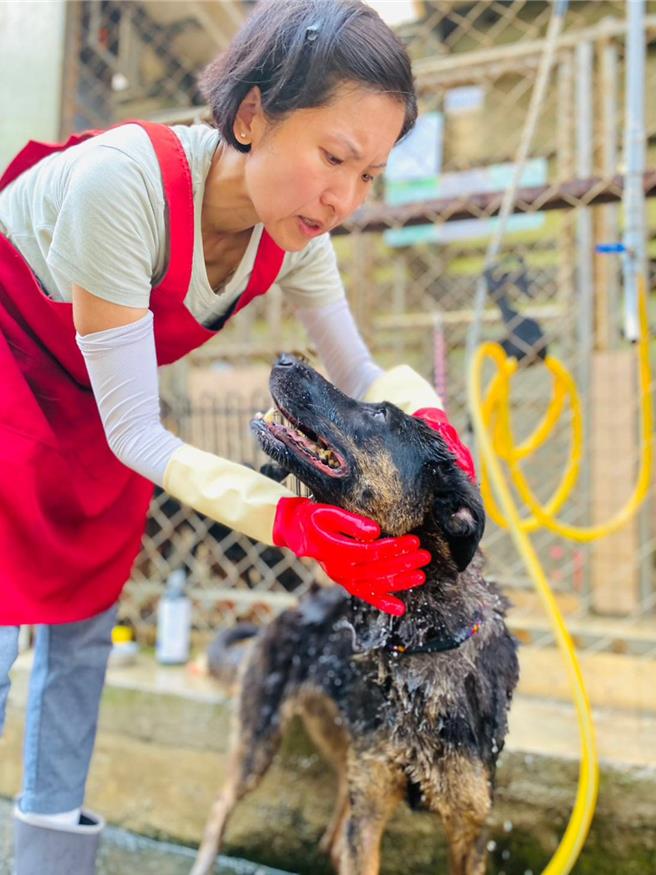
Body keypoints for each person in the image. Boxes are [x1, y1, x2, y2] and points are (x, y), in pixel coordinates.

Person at [0, 0, 475, 871]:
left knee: (83, 624)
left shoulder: (292, 236)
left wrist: (436, 427)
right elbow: (139, 429)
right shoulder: (124, 186)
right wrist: (292, 521)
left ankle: (46, 858)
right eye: (334, 156)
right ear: (251, 115)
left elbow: (362, 371)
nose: (344, 198)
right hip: (10, 360)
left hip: (98, 400)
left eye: (368, 173)